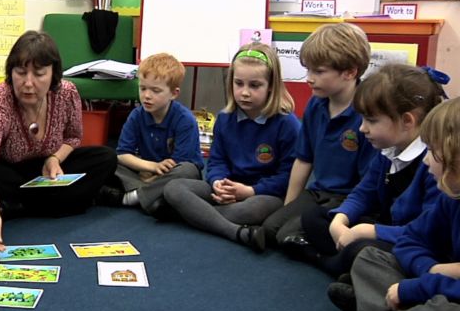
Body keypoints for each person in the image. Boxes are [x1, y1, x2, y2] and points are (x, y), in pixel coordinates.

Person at [0, 31, 117, 253]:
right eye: (20, 72)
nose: (28, 83)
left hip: (44, 171)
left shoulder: (67, 93)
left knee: (105, 158)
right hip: (6, 170)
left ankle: (18, 205)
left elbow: (72, 137)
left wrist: (54, 158)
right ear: (11, 73)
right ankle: (55, 204)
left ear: (53, 75)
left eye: (39, 74)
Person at [328, 97, 460, 311]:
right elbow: (411, 239)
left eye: (431, 151)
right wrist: (430, 271)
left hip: (448, 299)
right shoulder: (451, 197)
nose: (425, 163)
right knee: (369, 257)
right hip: (440, 280)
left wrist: (419, 287)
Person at [302, 65, 446, 276]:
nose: (362, 128)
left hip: (414, 242)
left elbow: (428, 232)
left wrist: (370, 231)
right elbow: (364, 192)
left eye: (371, 120)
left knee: (363, 250)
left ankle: (329, 262)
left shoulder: (434, 165)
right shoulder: (387, 150)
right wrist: (341, 219)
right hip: (385, 227)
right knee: (314, 217)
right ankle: (352, 269)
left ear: (407, 120)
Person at [163, 43, 300, 252]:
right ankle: (236, 232)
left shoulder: (287, 124)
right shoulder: (225, 119)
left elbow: (289, 177)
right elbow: (217, 160)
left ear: (271, 86)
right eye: (239, 84)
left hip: (262, 194)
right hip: (227, 188)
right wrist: (218, 182)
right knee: (174, 187)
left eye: (254, 85)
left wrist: (250, 191)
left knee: (253, 210)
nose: (244, 92)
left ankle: (191, 214)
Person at [261, 23, 376, 254]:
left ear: (350, 72)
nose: (309, 79)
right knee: (271, 229)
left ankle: (343, 252)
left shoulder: (368, 113)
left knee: (287, 236)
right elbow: (304, 159)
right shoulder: (316, 104)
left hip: (348, 199)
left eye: (319, 72)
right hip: (318, 193)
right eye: (308, 70)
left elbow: (368, 182)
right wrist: (289, 207)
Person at [96, 52, 202, 215]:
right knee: (108, 159)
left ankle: (131, 197)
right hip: (145, 171)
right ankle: (154, 199)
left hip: (173, 176)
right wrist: (151, 166)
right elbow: (123, 154)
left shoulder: (185, 120)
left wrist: (153, 178)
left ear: (174, 93)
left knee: (187, 171)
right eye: (143, 88)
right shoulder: (137, 115)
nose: (146, 96)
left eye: (155, 91)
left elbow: (181, 164)